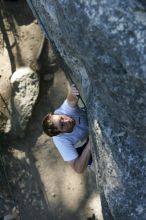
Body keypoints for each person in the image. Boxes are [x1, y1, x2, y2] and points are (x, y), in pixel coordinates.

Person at [42, 84, 92, 173]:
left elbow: (71, 100)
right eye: (62, 125)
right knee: (87, 160)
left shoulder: (63, 111)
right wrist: (90, 144)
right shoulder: (61, 141)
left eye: (62, 118)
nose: (66, 121)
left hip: (89, 121)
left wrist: (72, 91)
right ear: (60, 133)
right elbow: (78, 169)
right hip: (84, 143)